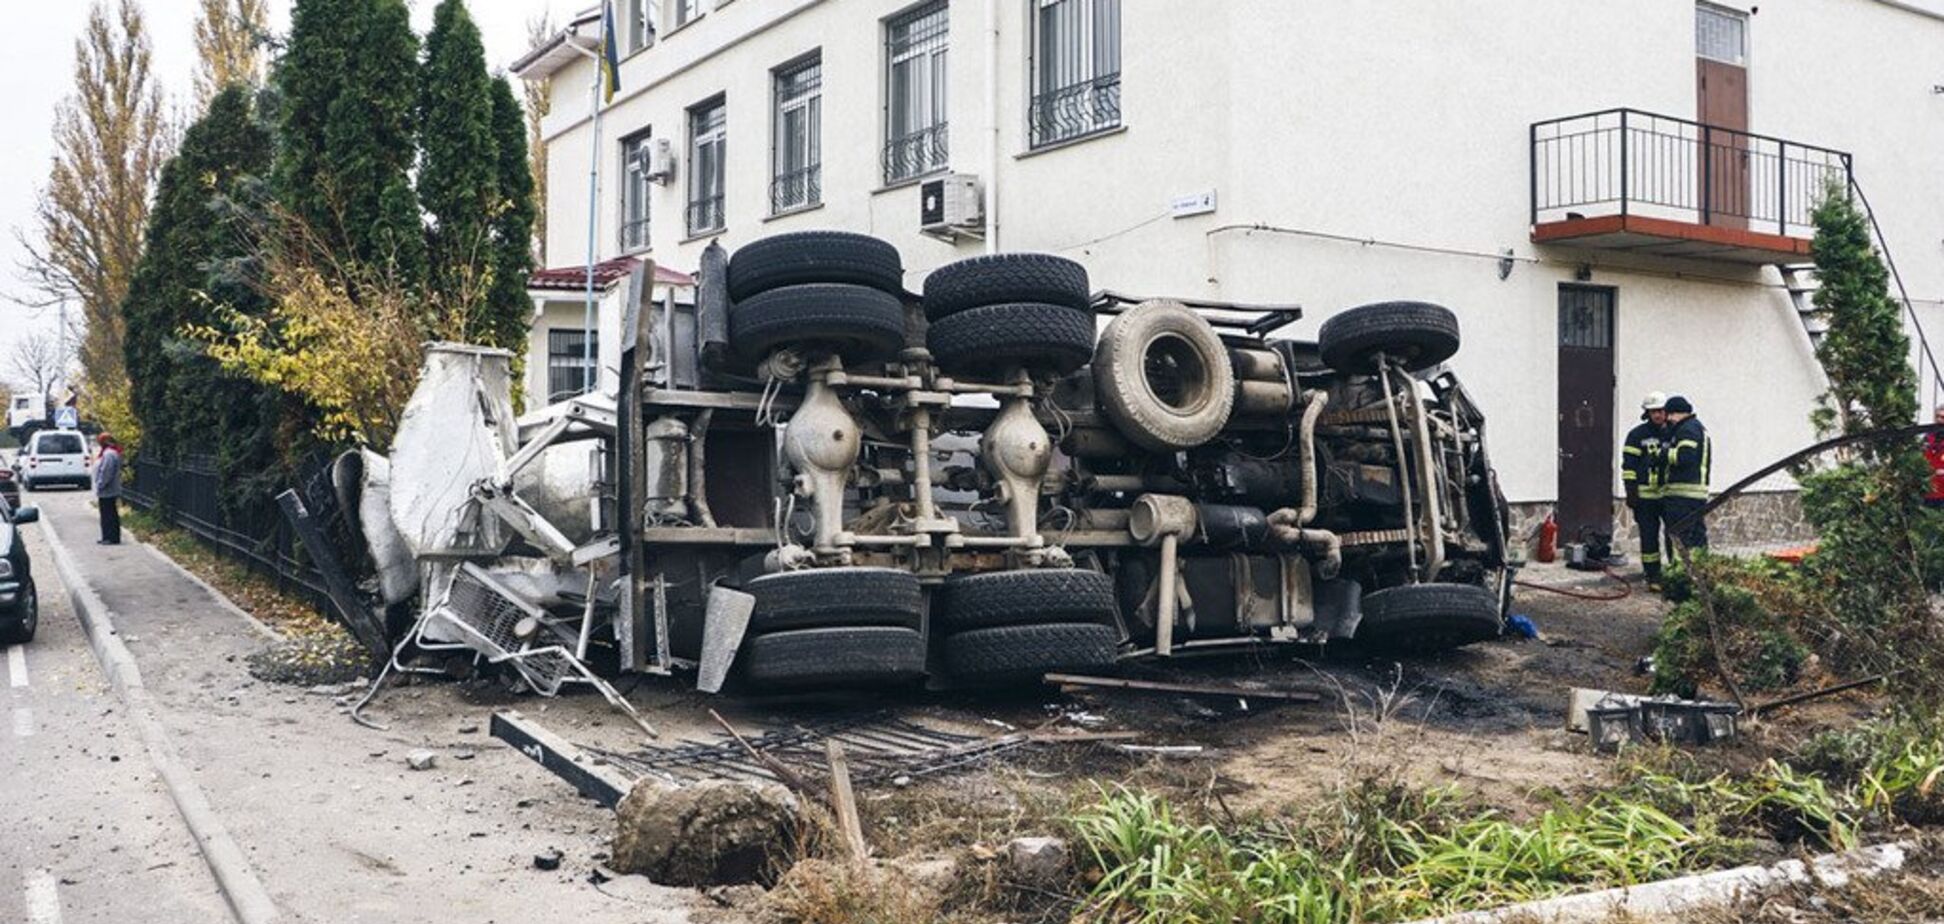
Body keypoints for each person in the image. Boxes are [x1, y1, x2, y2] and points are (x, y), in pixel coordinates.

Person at [1622, 392, 1671, 588]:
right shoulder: (1637, 435)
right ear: (1647, 413)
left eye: (1661, 411)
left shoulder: (1673, 432)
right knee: (1649, 537)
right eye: (1653, 412)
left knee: (1673, 535)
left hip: (1669, 495)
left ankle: (1675, 573)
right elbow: (1629, 466)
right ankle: (1653, 576)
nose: (1658, 415)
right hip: (1645, 498)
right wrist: (1631, 492)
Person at [1659, 396, 1710, 550]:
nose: (1668, 420)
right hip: (1694, 495)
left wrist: (1662, 454)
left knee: (1678, 538)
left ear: (1675, 413)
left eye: (1669, 415)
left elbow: (1685, 457)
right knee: (1696, 537)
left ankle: (1679, 571)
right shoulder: (1696, 427)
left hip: (1682, 496)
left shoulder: (1687, 429)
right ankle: (1698, 570)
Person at [93, 432, 122, 545]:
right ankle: (109, 536)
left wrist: (100, 484)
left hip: (108, 490)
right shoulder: (112, 452)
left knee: (108, 514)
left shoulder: (109, 454)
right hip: (110, 489)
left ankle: (110, 537)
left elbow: (106, 472)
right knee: (110, 513)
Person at [1923, 405, 1944, 509]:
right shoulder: (1928, 437)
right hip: (1927, 490)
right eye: (1937, 417)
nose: (1939, 420)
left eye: (1943, 417)